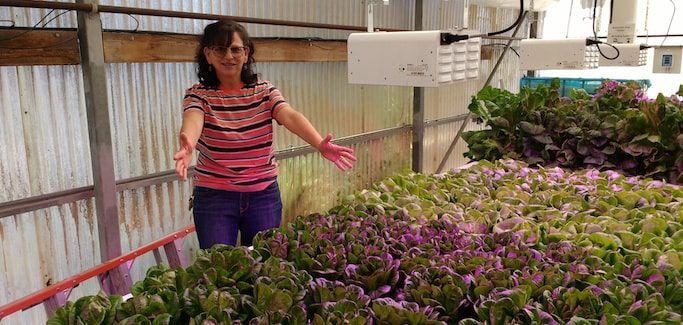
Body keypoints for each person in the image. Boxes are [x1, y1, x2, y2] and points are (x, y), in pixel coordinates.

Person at [173, 20, 357, 249]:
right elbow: (193, 119)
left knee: (264, 265)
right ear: (208, 55)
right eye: (220, 49)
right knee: (218, 267)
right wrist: (188, 143)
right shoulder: (198, 94)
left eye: (235, 49)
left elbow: (289, 115)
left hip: (262, 197)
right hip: (215, 197)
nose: (228, 56)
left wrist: (319, 143)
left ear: (246, 53)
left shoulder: (264, 91)